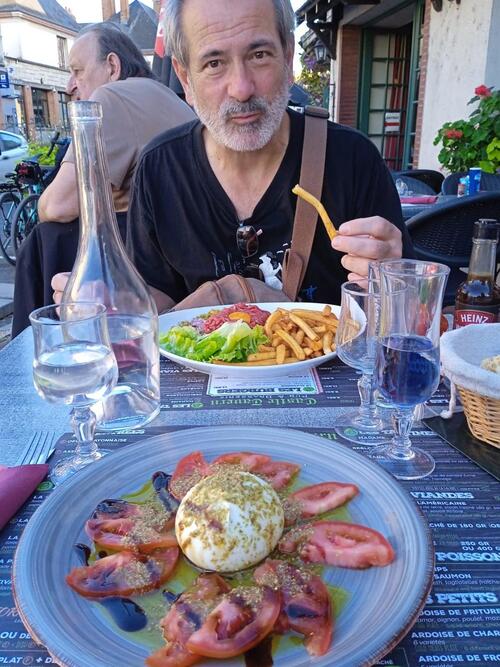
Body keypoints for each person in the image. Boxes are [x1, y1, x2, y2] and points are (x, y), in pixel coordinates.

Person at [54, 0, 412, 312]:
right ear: (185, 77)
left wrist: (397, 281)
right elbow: (158, 303)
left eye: (259, 55)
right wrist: (113, 300)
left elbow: (413, 315)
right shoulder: (159, 169)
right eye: (214, 63)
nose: (241, 89)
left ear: (288, 59)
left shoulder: (352, 160)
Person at [12, 23, 195, 336]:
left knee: (44, 238)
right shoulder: (169, 97)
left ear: (112, 65)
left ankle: (41, 354)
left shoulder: (110, 97)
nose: (71, 85)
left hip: (142, 259)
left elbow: (57, 205)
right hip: (185, 251)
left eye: (78, 70)